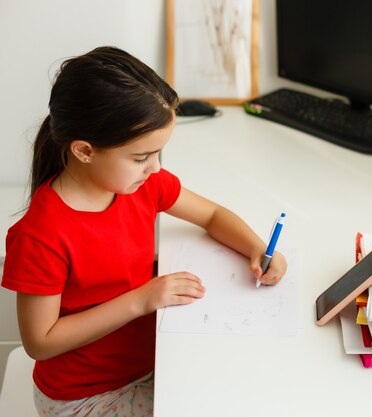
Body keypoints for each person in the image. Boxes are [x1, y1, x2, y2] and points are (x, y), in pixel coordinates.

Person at [1, 46, 287, 417]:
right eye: (141, 158)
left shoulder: (140, 184)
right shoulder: (40, 236)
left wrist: (257, 247)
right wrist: (141, 299)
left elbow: (213, 214)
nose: (154, 168)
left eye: (157, 154)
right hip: (86, 396)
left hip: (149, 360)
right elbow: (40, 342)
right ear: (85, 151)